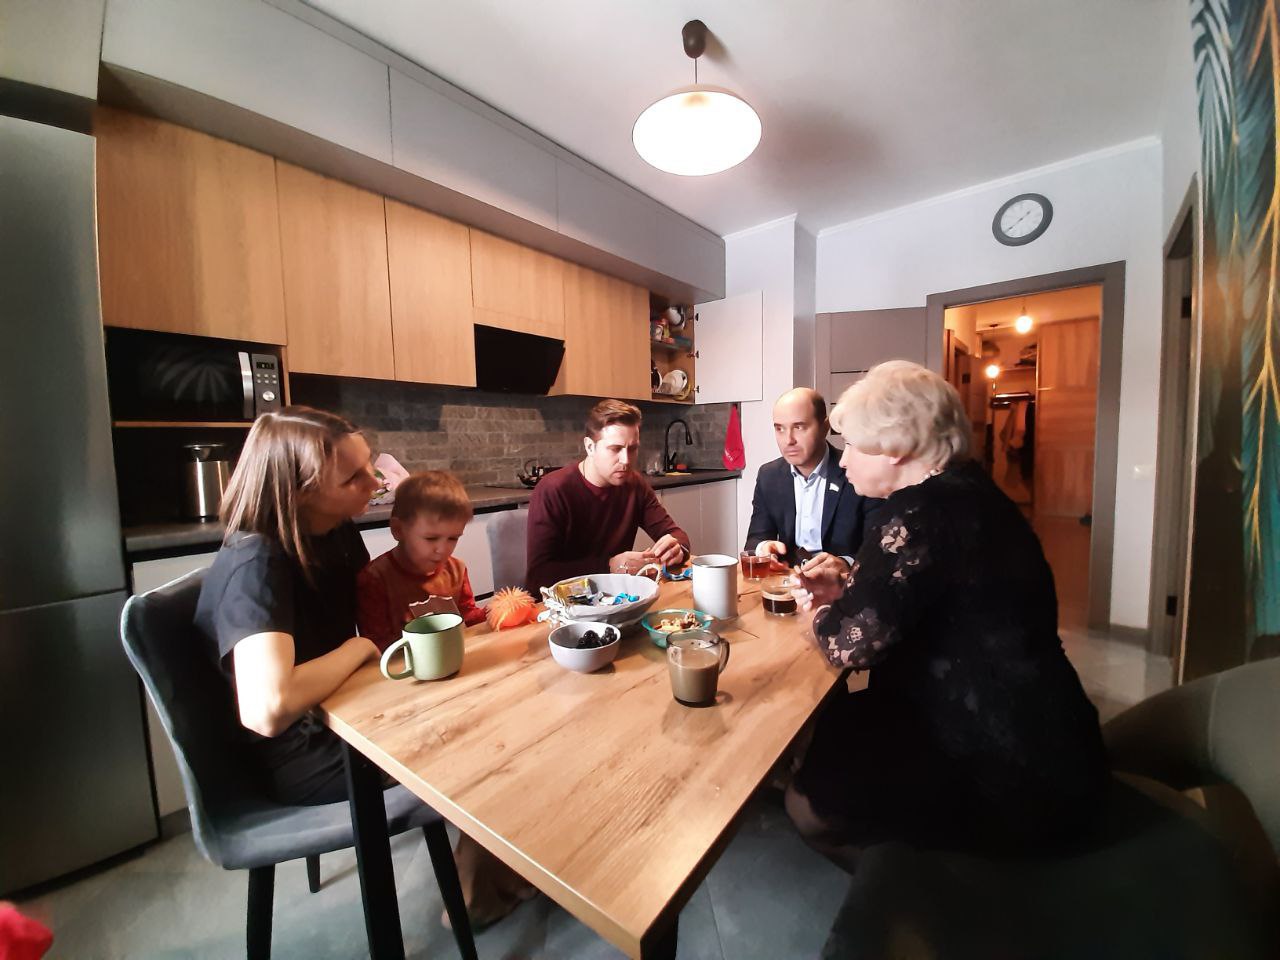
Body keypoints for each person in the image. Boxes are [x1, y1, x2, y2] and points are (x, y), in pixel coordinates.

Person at [787, 361, 1107, 866]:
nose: (843, 460)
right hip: (1057, 737)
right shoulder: (975, 493)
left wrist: (816, 613)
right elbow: (929, 594)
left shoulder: (917, 514)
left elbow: (851, 647)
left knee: (806, 807)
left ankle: (926, 886)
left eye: (854, 445)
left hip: (999, 767)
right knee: (836, 731)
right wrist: (848, 586)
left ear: (896, 446)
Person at [194, 406, 383, 805]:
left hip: (342, 711)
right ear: (300, 492)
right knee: (463, 748)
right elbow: (268, 709)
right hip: (297, 753)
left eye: (369, 464)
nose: (375, 482)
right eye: (353, 478)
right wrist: (359, 648)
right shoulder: (256, 561)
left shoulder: (335, 530)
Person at [525, 399, 690, 593]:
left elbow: (678, 536)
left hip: (616, 599)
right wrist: (608, 566)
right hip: (563, 604)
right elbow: (538, 577)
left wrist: (677, 549)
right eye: (615, 449)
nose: (626, 460)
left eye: (632, 448)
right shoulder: (553, 489)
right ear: (590, 447)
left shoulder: (635, 485)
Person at [744, 387, 882, 576]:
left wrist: (845, 564)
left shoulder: (858, 472)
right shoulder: (769, 475)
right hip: (787, 580)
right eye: (779, 429)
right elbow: (755, 540)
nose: (788, 440)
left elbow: (878, 550)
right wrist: (764, 548)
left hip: (842, 583)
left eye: (799, 427)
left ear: (825, 427)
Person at [356, 470, 487, 650]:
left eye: (453, 538)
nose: (442, 549)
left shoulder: (457, 569)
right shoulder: (375, 579)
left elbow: (467, 617)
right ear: (398, 530)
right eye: (431, 538)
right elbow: (376, 646)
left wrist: (493, 612)